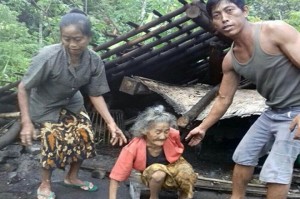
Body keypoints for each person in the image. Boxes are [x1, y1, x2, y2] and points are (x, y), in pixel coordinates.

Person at [185, 0, 300, 199]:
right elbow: (223, 98)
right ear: (214, 23)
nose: (225, 19)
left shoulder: (275, 31)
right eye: (217, 15)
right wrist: (203, 127)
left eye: (229, 10)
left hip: (296, 111)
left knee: (275, 171)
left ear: (244, 11)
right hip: (272, 112)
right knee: (243, 156)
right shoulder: (230, 59)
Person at [17, 9, 127, 199]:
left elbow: (95, 94)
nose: (72, 44)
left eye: (78, 39)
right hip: (45, 104)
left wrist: (110, 123)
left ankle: (72, 177)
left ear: (89, 37)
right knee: (53, 138)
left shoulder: (93, 60)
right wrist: (26, 122)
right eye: (66, 39)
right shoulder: (48, 57)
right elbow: (22, 88)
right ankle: (45, 183)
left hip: (71, 101)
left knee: (85, 134)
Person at [109, 105, 197, 199]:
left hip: (172, 166)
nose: (163, 136)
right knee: (158, 173)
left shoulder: (172, 134)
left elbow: (175, 140)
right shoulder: (133, 147)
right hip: (151, 175)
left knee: (187, 171)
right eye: (158, 132)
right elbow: (116, 175)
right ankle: (153, 197)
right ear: (145, 131)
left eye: (166, 132)